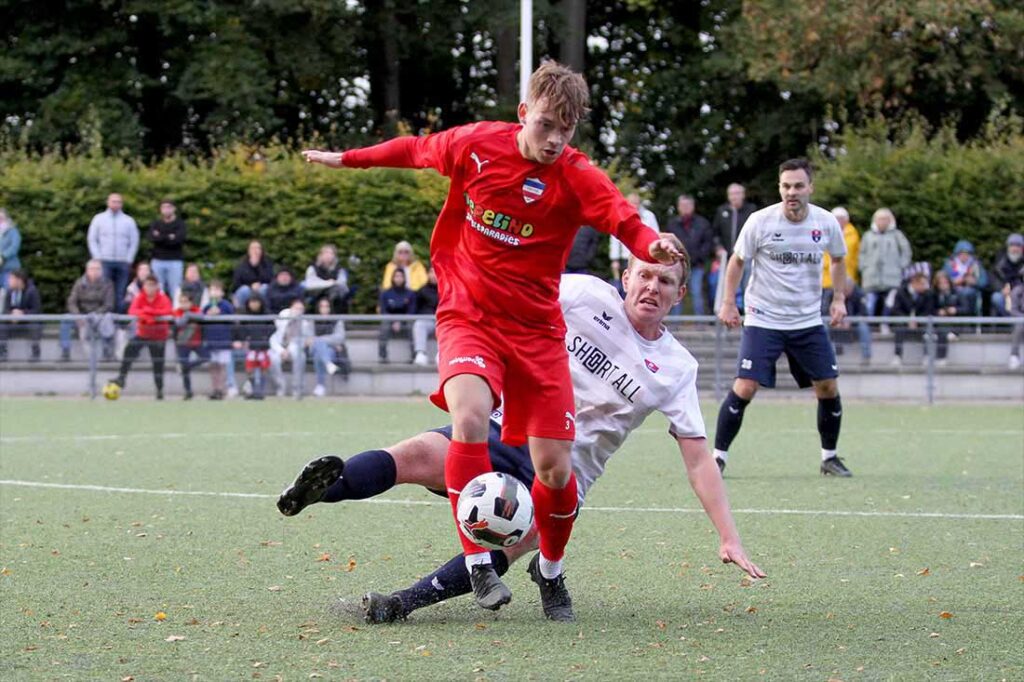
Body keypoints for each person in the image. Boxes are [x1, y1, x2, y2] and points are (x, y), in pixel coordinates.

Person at [302, 60, 681, 621]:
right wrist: (347, 158)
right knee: (470, 419)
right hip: (470, 314)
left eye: (567, 130)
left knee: (556, 471)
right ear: (523, 113)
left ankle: (549, 571)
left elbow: (624, 220)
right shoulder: (476, 145)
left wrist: (652, 246)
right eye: (547, 125)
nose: (555, 140)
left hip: (537, 334)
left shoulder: (578, 176)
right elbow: (414, 150)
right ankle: (479, 559)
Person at [277, 258, 764, 624]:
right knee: (414, 455)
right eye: (645, 274)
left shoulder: (678, 367)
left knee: (511, 541)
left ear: (679, 294)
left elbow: (699, 461)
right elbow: (517, 296)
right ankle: (322, 487)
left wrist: (728, 535)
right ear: (626, 278)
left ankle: (403, 603)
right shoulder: (584, 294)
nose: (652, 287)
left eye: (665, 281)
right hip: (503, 428)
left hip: (559, 471)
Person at [714, 158, 851, 477]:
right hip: (763, 319)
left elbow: (839, 260)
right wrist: (728, 303)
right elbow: (736, 262)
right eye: (786, 186)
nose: (792, 192)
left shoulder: (826, 222)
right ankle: (717, 458)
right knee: (745, 387)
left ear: (810, 188)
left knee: (828, 387)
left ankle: (829, 458)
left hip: (807, 321)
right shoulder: (760, 221)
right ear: (780, 188)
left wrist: (839, 298)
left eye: (798, 186)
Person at [109, 273, 172, 400]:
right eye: (147, 285)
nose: (150, 288)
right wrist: (150, 315)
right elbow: (133, 311)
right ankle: (122, 377)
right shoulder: (140, 297)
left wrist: (148, 312)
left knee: (158, 363)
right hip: (143, 333)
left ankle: (159, 390)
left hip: (158, 336)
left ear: (157, 286)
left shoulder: (163, 298)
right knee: (129, 350)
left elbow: (167, 311)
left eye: (152, 285)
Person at [858, 208, 911, 327]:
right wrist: (863, 268)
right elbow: (861, 254)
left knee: (890, 303)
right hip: (871, 278)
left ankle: (884, 325)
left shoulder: (897, 235)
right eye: (880, 219)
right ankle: (867, 328)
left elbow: (906, 252)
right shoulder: (868, 236)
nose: (882, 222)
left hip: (892, 278)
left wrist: (900, 266)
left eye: (885, 219)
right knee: (869, 303)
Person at [87, 193, 139, 311]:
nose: (116, 204)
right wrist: (97, 258)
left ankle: (119, 322)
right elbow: (92, 239)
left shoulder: (129, 221)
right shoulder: (98, 219)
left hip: (122, 262)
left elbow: (134, 241)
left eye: (118, 202)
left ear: (121, 204)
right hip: (104, 261)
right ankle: (106, 321)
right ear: (108, 202)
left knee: (120, 293)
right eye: (113, 201)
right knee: (105, 293)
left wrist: (129, 259)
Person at [665, 194, 713, 315]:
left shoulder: (702, 223)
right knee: (674, 293)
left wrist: (699, 257)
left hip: (697, 265)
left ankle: (701, 324)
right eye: (683, 205)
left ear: (693, 206)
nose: (685, 208)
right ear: (678, 207)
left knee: (697, 293)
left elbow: (708, 243)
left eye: (688, 205)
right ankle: (674, 325)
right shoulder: (672, 224)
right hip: (676, 265)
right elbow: (668, 242)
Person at [891, 264, 948, 366]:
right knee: (899, 328)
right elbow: (896, 310)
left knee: (929, 329)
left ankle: (927, 356)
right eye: (922, 284)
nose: (925, 286)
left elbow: (928, 310)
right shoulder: (901, 292)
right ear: (914, 283)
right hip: (905, 321)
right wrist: (907, 320)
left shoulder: (927, 294)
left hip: (921, 322)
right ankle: (897, 356)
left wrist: (917, 320)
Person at [62, 259, 115, 362]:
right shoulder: (79, 283)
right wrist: (78, 316)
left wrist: (96, 314)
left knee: (108, 319)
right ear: (87, 270)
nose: (95, 271)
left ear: (101, 271)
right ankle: (65, 350)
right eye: (92, 269)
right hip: (81, 315)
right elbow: (71, 302)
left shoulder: (108, 284)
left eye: (97, 269)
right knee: (66, 319)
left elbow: (109, 304)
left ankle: (107, 351)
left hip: (99, 314)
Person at [610, 193, 659, 288]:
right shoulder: (620, 216)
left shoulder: (649, 216)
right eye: (632, 203)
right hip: (626, 258)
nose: (634, 206)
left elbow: (656, 235)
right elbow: (615, 240)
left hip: (644, 257)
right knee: (628, 285)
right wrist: (614, 259)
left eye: (636, 203)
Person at [269, 299, 314, 397]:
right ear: (291, 308)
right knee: (273, 359)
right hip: (279, 347)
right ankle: (280, 386)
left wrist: (289, 349)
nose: (298, 311)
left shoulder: (305, 323)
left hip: (295, 349)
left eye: (301, 309)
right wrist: (282, 351)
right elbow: (274, 337)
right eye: (296, 308)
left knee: (300, 357)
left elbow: (306, 341)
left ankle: (297, 388)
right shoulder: (283, 316)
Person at [233, 295, 274, 400]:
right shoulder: (245, 315)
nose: (254, 304)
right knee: (250, 368)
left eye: (256, 302)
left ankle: (260, 390)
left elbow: (272, 329)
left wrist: (265, 339)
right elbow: (240, 331)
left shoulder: (267, 315)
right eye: (252, 302)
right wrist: (244, 340)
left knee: (264, 367)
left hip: (263, 347)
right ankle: (252, 388)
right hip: (250, 348)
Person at [821, 207, 860, 312]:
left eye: (841, 218)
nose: (839, 220)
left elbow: (855, 256)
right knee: (825, 309)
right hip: (826, 280)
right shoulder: (823, 232)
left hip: (847, 278)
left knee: (848, 308)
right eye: (836, 218)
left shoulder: (853, 235)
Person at [310, 297, 350, 397]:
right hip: (313, 349)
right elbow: (309, 338)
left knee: (319, 356)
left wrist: (320, 340)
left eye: (327, 306)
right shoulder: (312, 320)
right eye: (322, 306)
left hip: (331, 351)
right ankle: (328, 364)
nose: (324, 309)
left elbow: (340, 337)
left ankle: (320, 386)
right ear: (318, 308)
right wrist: (329, 341)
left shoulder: (336, 320)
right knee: (319, 348)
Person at [201, 280, 235, 400]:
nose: (214, 293)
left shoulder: (226, 306)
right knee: (213, 366)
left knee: (222, 366)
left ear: (222, 292)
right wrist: (208, 315)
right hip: (211, 341)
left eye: (217, 290)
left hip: (223, 341)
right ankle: (215, 389)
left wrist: (221, 314)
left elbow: (232, 320)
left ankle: (222, 389)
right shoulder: (206, 307)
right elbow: (201, 321)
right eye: (212, 290)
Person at [0, 269, 42, 362]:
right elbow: (5, 310)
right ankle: (2, 352)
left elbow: (36, 311)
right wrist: (11, 315)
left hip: (28, 321)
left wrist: (22, 313)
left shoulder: (32, 291)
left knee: (34, 326)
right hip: (13, 321)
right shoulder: (10, 291)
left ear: (19, 280)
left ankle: (35, 353)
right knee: (1, 326)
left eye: (11, 279)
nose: (9, 281)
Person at [148, 200, 187, 298]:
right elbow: (152, 238)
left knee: (175, 291)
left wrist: (160, 236)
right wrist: (169, 236)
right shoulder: (155, 223)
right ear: (160, 209)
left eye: (169, 207)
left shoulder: (180, 224)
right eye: (164, 207)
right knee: (157, 290)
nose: (166, 210)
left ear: (174, 209)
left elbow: (178, 240)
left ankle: (175, 312)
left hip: (175, 261)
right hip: (157, 261)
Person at [828, 277, 872, 365]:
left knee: (863, 327)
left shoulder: (860, 294)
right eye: (843, 290)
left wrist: (851, 321)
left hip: (854, 324)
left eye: (847, 290)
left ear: (852, 288)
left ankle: (866, 357)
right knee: (823, 327)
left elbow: (864, 313)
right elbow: (825, 310)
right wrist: (836, 320)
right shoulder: (833, 293)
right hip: (836, 322)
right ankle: (826, 358)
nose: (845, 293)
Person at [377, 268, 415, 363]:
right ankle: (383, 356)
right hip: (390, 321)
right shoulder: (386, 293)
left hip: (405, 321)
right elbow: (383, 310)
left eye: (401, 276)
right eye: (396, 276)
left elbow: (411, 311)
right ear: (393, 278)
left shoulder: (410, 293)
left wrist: (400, 321)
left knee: (412, 325)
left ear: (404, 278)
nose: (399, 279)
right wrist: (394, 321)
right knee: (384, 325)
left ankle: (414, 356)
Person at [173, 290, 206, 400]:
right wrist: (188, 316)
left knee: (206, 357)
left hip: (196, 342)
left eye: (186, 302)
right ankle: (188, 391)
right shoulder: (178, 312)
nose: (183, 304)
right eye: (181, 302)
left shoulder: (195, 310)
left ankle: (188, 366)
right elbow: (179, 323)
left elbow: (202, 317)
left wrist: (188, 315)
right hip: (182, 343)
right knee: (184, 369)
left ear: (191, 302)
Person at [942, 240, 988, 317]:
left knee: (968, 294)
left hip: (971, 295)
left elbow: (984, 282)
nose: (964, 256)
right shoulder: (949, 264)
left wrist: (975, 282)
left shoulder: (976, 265)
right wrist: (952, 282)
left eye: (967, 254)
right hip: (953, 293)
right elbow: (942, 281)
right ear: (957, 254)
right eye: (961, 253)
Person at [711, 183, 757, 258]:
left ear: (743, 195)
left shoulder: (751, 210)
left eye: (737, 193)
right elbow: (715, 233)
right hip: (727, 255)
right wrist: (718, 247)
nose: (734, 197)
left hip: (747, 255)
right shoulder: (721, 211)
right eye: (731, 194)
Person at [303, 244, 350, 312]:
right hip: (316, 299)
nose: (328, 255)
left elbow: (343, 286)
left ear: (334, 256)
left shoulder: (340, 269)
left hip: (335, 301)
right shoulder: (312, 268)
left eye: (331, 253)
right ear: (321, 255)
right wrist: (330, 283)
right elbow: (310, 285)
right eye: (326, 253)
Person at [231, 240, 274, 308]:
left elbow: (270, 279)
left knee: (264, 288)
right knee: (244, 290)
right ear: (248, 250)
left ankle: (264, 312)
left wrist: (258, 267)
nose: (255, 251)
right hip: (246, 290)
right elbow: (237, 283)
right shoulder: (241, 264)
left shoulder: (267, 263)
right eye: (253, 248)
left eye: (258, 248)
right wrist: (251, 286)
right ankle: (243, 313)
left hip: (261, 289)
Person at [990, 234, 1024, 317]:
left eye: (1018, 246)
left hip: (1021, 293)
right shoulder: (999, 261)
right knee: (996, 297)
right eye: (1012, 245)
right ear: (1008, 247)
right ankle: (1011, 323)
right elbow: (993, 279)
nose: (1015, 249)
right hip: (1005, 293)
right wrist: (1001, 289)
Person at [412, 266, 439, 366]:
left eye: (436, 272)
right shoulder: (422, 291)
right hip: (426, 320)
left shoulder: (446, 289)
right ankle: (420, 353)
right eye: (431, 272)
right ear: (428, 274)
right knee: (419, 324)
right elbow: (415, 308)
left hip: (441, 320)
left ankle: (442, 354)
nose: (434, 276)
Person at [0, 208, 22, 290]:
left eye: (1, 217)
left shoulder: (13, 231)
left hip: (10, 268)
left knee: (8, 293)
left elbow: (14, 247)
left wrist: (3, 257)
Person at [1007, 282, 1024, 370]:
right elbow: (1013, 310)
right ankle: (1014, 356)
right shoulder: (1017, 291)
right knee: (1020, 325)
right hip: (1020, 320)